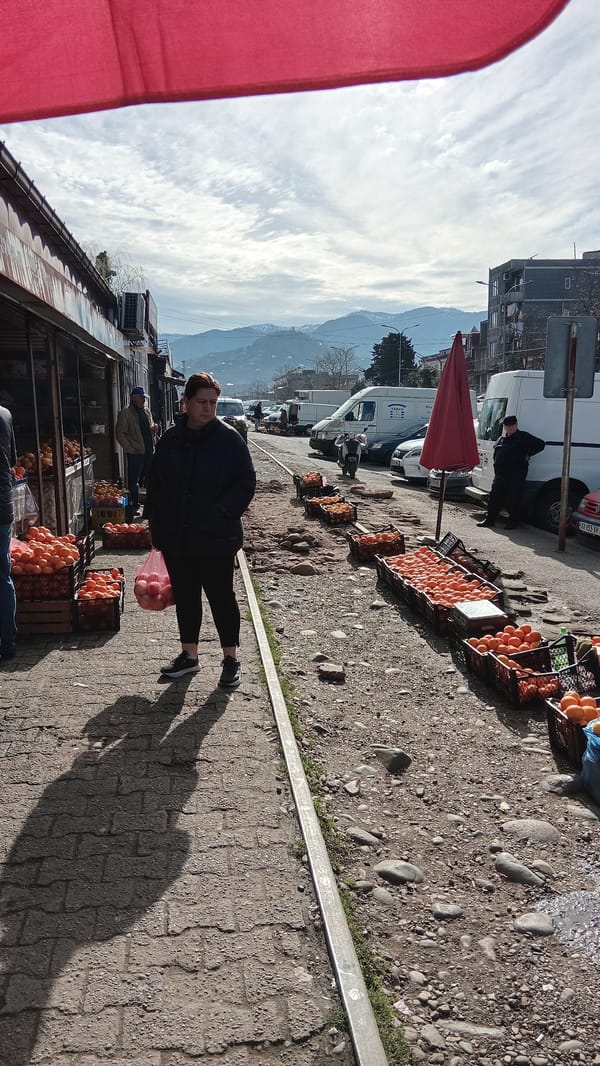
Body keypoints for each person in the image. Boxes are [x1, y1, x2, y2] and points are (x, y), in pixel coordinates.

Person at [144, 372, 256, 687]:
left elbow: (246, 481)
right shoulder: (170, 438)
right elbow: (157, 483)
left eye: (213, 402)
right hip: (177, 536)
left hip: (217, 537)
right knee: (187, 598)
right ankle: (189, 657)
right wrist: (153, 521)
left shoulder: (229, 439)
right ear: (186, 404)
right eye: (202, 402)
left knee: (222, 598)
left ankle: (231, 659)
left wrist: (222, 512)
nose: (208, 408)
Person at [477, 415, 545, 530]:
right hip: (501, 474)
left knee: (513, 498)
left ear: (516, 425)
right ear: (504, 427)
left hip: (516, 473)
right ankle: (490, 519)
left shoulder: (523, 436)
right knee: (494, 497)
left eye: (511, 426)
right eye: (507, 426)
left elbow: (541, 444)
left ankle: (512, 522)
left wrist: (528, 454)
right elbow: (496, 454)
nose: (509, 428)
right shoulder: (501, 439)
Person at [116, 386, 157, 520]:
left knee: (150, 479)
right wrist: (130, 448)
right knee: (133, 481)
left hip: (149, 450)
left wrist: (154, 429)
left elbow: (150, 427)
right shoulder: (126, 413)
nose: (143, 400)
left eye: (144, 398)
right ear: (134, 398)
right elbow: (120, 433)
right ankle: (133, 505)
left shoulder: (146, 411)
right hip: (136, 452)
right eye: (141, 398)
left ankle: (151, 507)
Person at [0, 405, 17, 662]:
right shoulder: (4, 414)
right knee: (3, 575)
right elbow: (12, 460)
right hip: (4, 504)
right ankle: (9, 640)